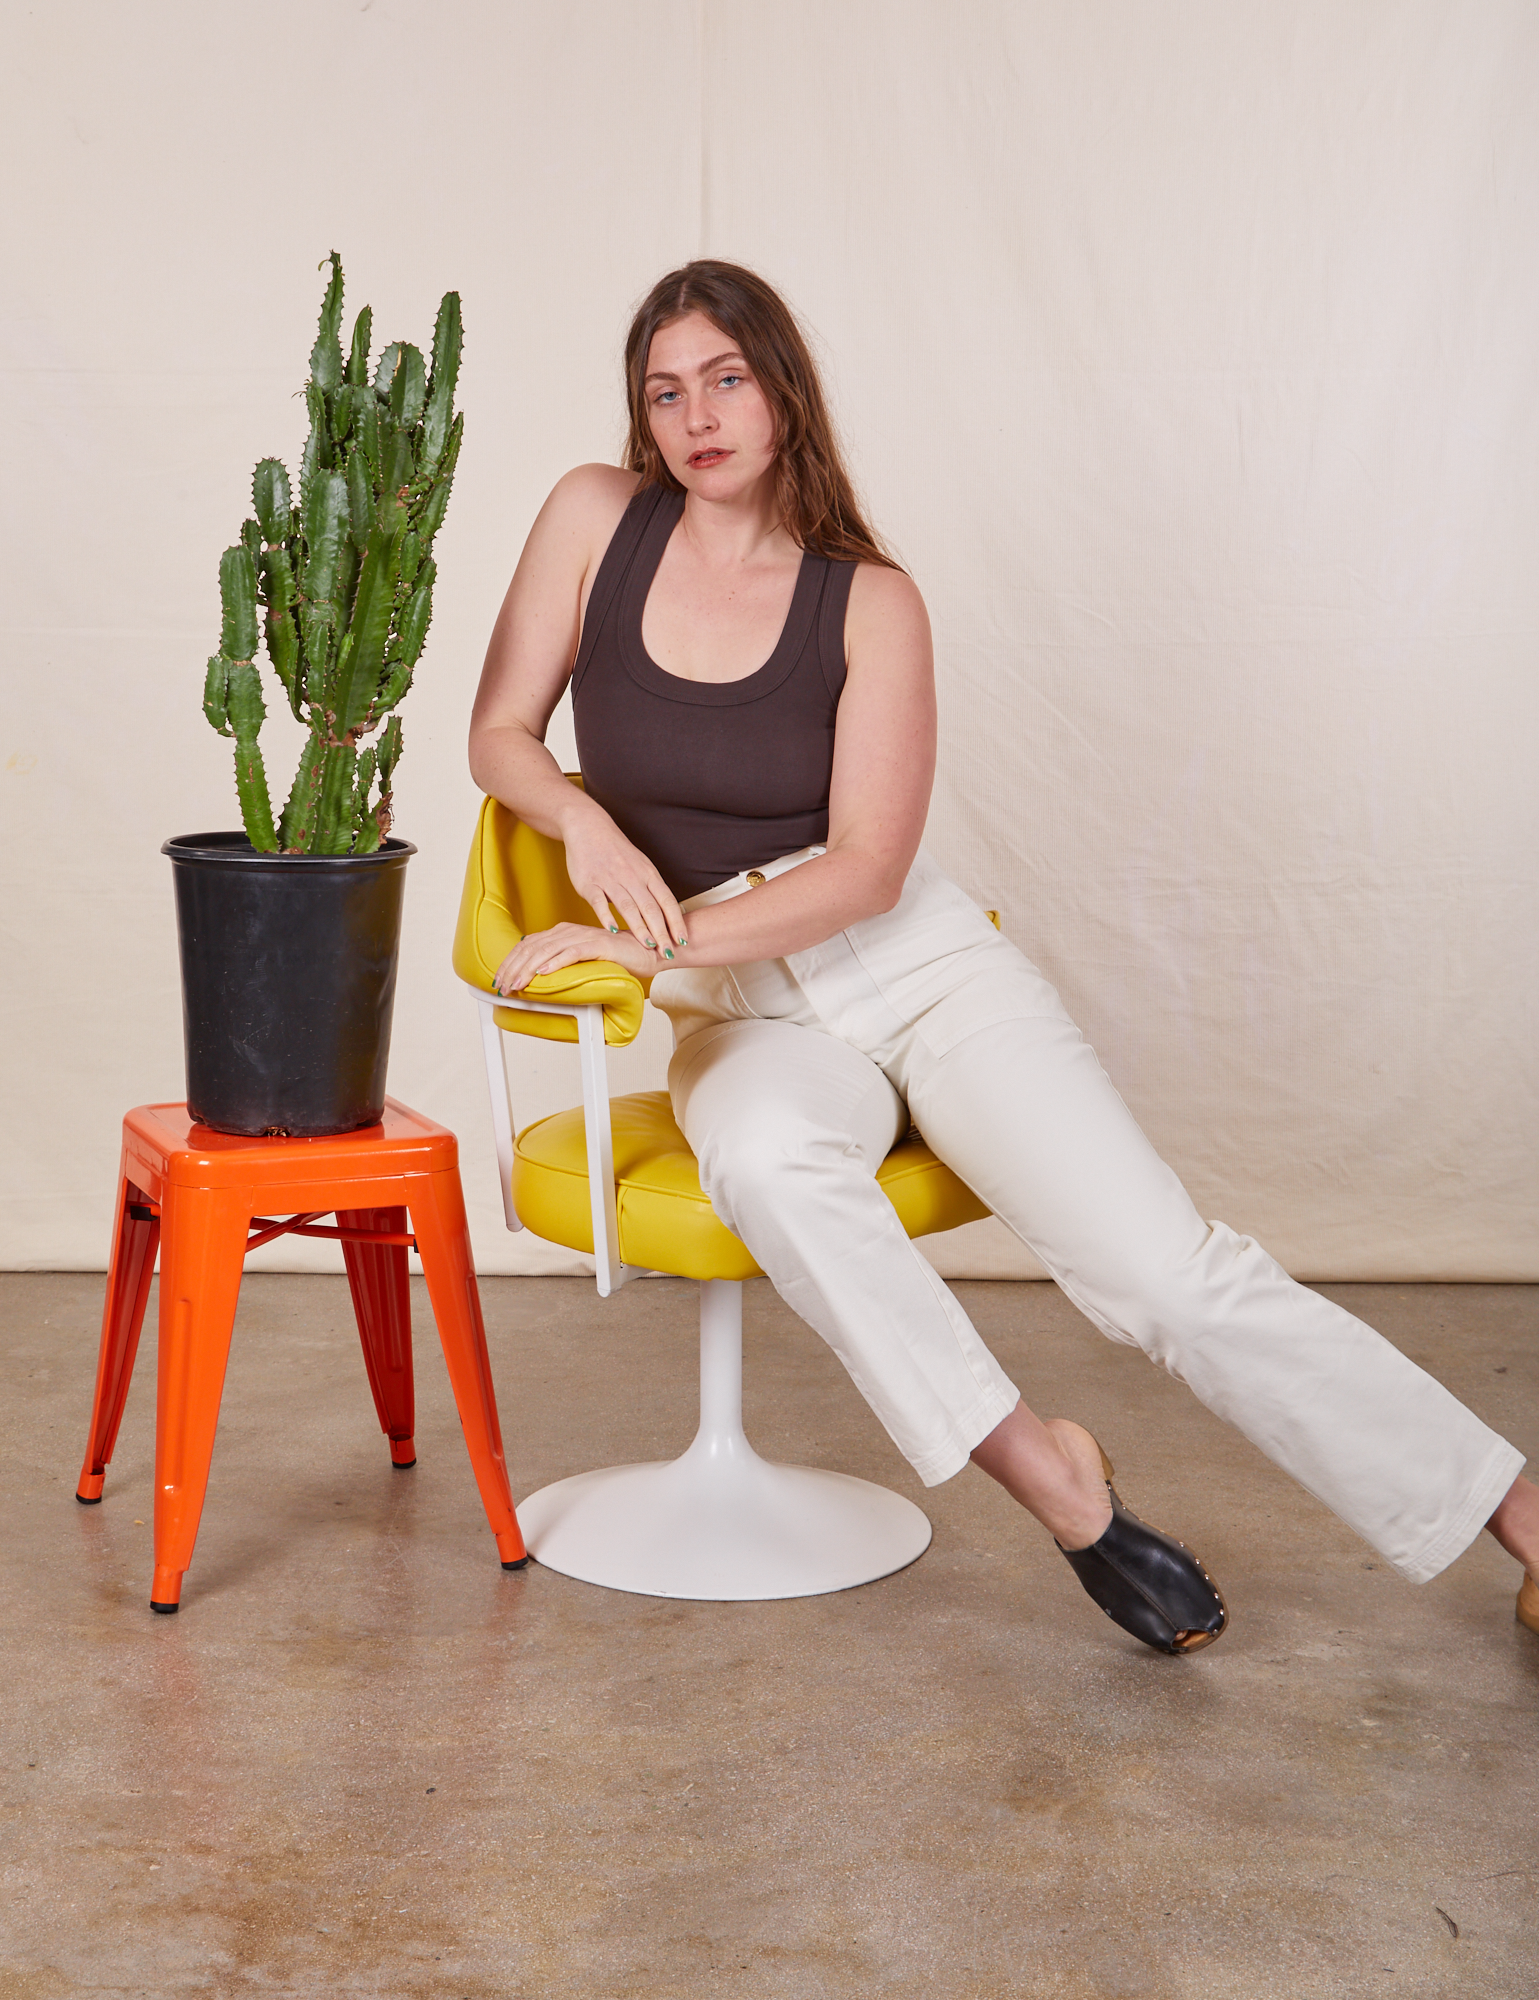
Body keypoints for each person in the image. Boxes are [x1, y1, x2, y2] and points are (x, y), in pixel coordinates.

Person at [469, 258, 1538, 1654]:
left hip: (915, 973)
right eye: (664, 391)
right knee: (766, 1156)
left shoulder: (869, 600)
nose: (696, 416)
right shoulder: (591, 519)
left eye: (725, 379)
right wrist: (580, 826)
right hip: (744, 1010)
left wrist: (654, 940)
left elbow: (864, 869)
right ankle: (1062, 1490)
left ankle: (1517, 1513)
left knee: (1165, 1276)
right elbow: (498, 731)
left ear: (782, 391)